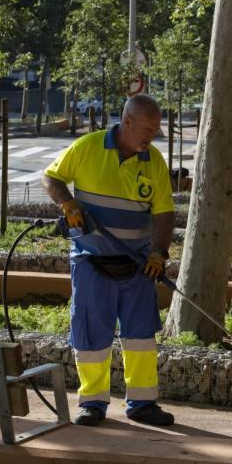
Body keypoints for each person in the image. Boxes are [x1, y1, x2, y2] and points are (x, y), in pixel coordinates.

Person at [41, 94, 175, 427]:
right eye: (146, 129)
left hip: (138, 265)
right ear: (127, 121)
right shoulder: (87, 147)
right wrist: (68, 205)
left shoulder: (153, 161)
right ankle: (92, 403)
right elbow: (51, 177)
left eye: (155, 131)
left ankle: (143, 403)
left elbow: (164, 214)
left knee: (141, 337)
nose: (150, 137)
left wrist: (159, 252)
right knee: (91, 335)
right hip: (91, 262)